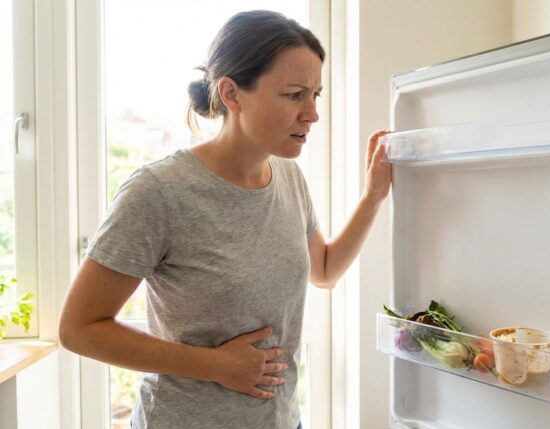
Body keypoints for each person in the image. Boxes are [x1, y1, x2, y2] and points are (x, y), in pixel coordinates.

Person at [58, 10, 391, 429]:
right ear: (232, 94)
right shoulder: (159, 192)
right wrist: (215, 365)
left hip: (282, 420)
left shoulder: (287, 175)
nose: (312, 114)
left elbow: (323, 270)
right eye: (293, 95)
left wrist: (374, 195)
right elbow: (79, 329)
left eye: (315, 95)